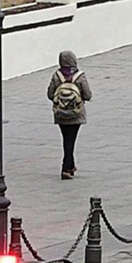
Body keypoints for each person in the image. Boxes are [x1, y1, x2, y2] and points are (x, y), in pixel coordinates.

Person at [46, 50, 92, 180]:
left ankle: (70, 166)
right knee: (70, 140)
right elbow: (88, 95)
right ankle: (66, 167)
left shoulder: (57, 76)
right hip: (76, 114)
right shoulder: (80, 76)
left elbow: (50, 94)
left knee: (66, 139)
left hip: (60, 114)